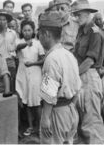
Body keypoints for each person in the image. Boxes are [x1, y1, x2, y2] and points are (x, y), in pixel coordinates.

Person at [37, 11, 81, 144]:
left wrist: (45, 118)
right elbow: (78, 86)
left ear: (46, 34)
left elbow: (49, 94)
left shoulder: (52, 59)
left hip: (56, 112)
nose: (38, 37)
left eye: (39, 33)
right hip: (71, 110)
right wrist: (70, 107)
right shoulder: (68, 54)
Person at [72, 0, 104, 144]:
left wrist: (72, 75)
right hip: (82, 76)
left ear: (87, 13)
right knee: (83, 123)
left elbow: (89, 61)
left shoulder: (94, 32)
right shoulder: (81, 31)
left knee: (91, 123)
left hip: (89, 76)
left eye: (78, 15)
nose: (76, 18)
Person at [15, 20, 45, 136]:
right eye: (24, 30)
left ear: (33, 31)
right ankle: (30, 126)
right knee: (26, 101)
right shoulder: (20, 42)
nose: (27, 32)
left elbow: (43, 59)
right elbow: (17, 47)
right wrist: (27, 44)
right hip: (22, 74)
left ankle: (41, 127)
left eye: (29, 30)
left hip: (35, 74)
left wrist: (33, 63)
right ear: (21, 31)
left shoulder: (38, 43)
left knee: (36, 101)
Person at [0, 9, 17, 92]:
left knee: (11, 85)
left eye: (4, 19)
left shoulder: (12, 33)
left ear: (7, 21)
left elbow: (14, 48)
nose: (2, 22)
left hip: (10, 62)